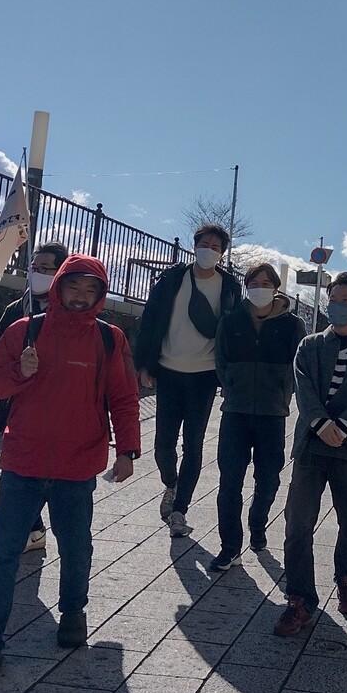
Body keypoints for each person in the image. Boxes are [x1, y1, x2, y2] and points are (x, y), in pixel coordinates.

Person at [0, 253, 142, 687]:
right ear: (58, 287)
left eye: (90, 290)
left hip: (78, 464)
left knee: (77, 547)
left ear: (100, 296)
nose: (80, 296)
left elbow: (123, 397)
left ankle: (73, 613)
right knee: (4, 554)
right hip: (23, 461)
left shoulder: (109, 339)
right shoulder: (25, 330)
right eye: (73, 286)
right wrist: (19, 371)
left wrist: (127, 450)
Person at [274, 272, 347, 636]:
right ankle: (299, 599)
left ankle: (346, 577)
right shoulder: (309, 346)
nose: (338, 306)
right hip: (311, 445)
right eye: (334, 300)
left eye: (346, 301)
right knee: (298, 523)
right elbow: (303, 387)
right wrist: (321, 424)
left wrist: (343, 426)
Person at [132, 224, 242, 537]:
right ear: (194, 246)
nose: (209, 250)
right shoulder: (171, 279)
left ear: (222, 254)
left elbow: (233, 330)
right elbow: (150, 321)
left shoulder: (228, 286)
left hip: (204, 375)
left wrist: (229, 374)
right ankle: (172, 483)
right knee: (162, 446)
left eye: (216, 247)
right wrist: (144, 365)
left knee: (193, 444)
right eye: (205, 244)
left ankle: (180, 509)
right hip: (168, 370)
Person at [0, 241, 69, 553]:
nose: (37, 273)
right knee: (19, 470)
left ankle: (28, 530)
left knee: (43, 472)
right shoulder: (15, 310)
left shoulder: (71, 312)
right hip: (16, 405)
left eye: (46, 268)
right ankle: (28, 531)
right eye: (34, 267)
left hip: (57, 409)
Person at [209, 263, 308, 571]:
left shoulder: (292, 325)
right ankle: (229, 547)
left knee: (268, 479)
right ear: (247, 286)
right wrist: (231, 387)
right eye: (254, 282)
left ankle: (257, 521)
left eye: (266, 283)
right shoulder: (231, 321)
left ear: (276, 288)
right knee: (229, 482)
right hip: (235, 413)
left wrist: (285, 393)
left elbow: (299, 365)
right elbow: (221, 360)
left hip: (272, 414)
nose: (260, 288)